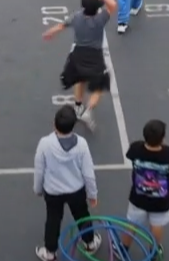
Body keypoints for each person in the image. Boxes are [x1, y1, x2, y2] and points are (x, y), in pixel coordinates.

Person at [33, 106, 100, 261]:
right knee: (82, 215)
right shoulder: (82, 144)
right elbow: (88, 173)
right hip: (76, 191)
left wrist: (38, 189)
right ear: (74, 125)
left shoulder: (45, 143)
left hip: (53, 192)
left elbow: (39, 170)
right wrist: (92, 194)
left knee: (53, 220)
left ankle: (50, 253)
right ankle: (90, 243)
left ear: (54, 124)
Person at [44, 0, 116, 128]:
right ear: (97, 9)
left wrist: (50, 33)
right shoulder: (100, 19)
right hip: (94, 56)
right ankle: (88, 111)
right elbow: (112, 4)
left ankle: (78, 106)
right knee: (100, 85)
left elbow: (60, 26)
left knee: (79, 79)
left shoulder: (76, 17)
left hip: (78, 54)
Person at [125, 119, 169, 251]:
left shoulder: (136, 148)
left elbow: (130, 156)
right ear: (163, 138)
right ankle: (154, 250)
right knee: (157, 225)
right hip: (161, 200)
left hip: (138, 197)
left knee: (132, 223)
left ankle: (123, 248)